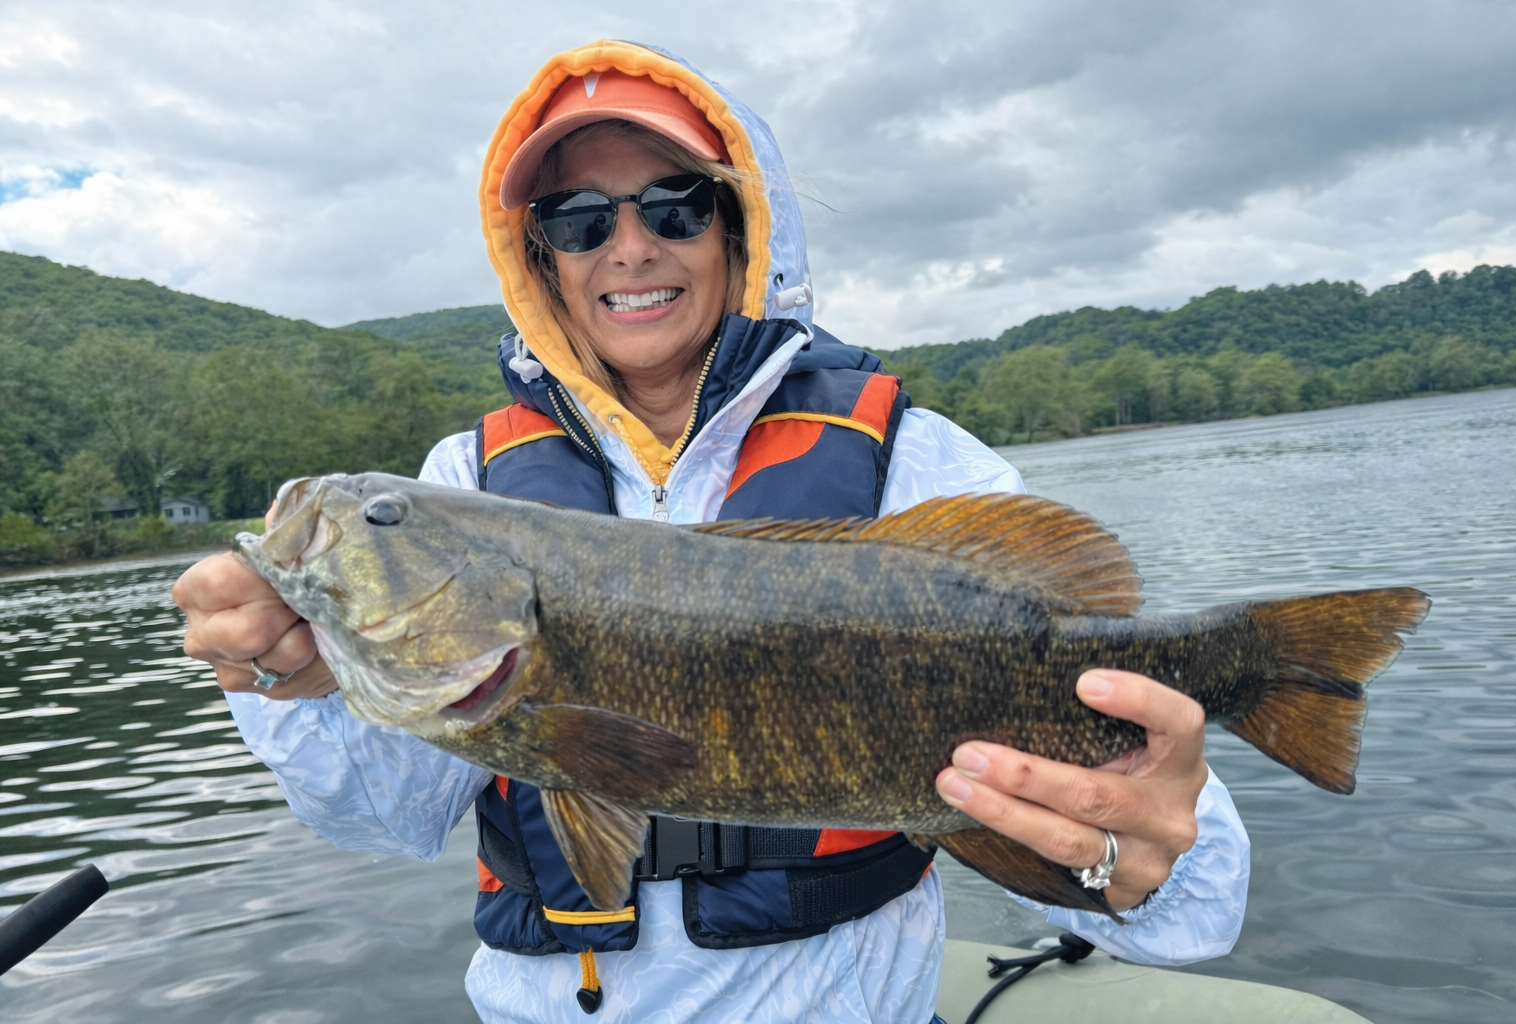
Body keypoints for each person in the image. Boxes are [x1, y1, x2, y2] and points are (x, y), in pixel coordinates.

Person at [173, 41, 1248, 1024]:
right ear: (539, 257)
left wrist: (1142, 857)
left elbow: (1195, 910)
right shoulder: (468, 482)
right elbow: (383, 817)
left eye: (676, 206)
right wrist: (290, 683)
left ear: (742, 226)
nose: (630, 248)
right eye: (581, 220)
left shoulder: (913, 463)